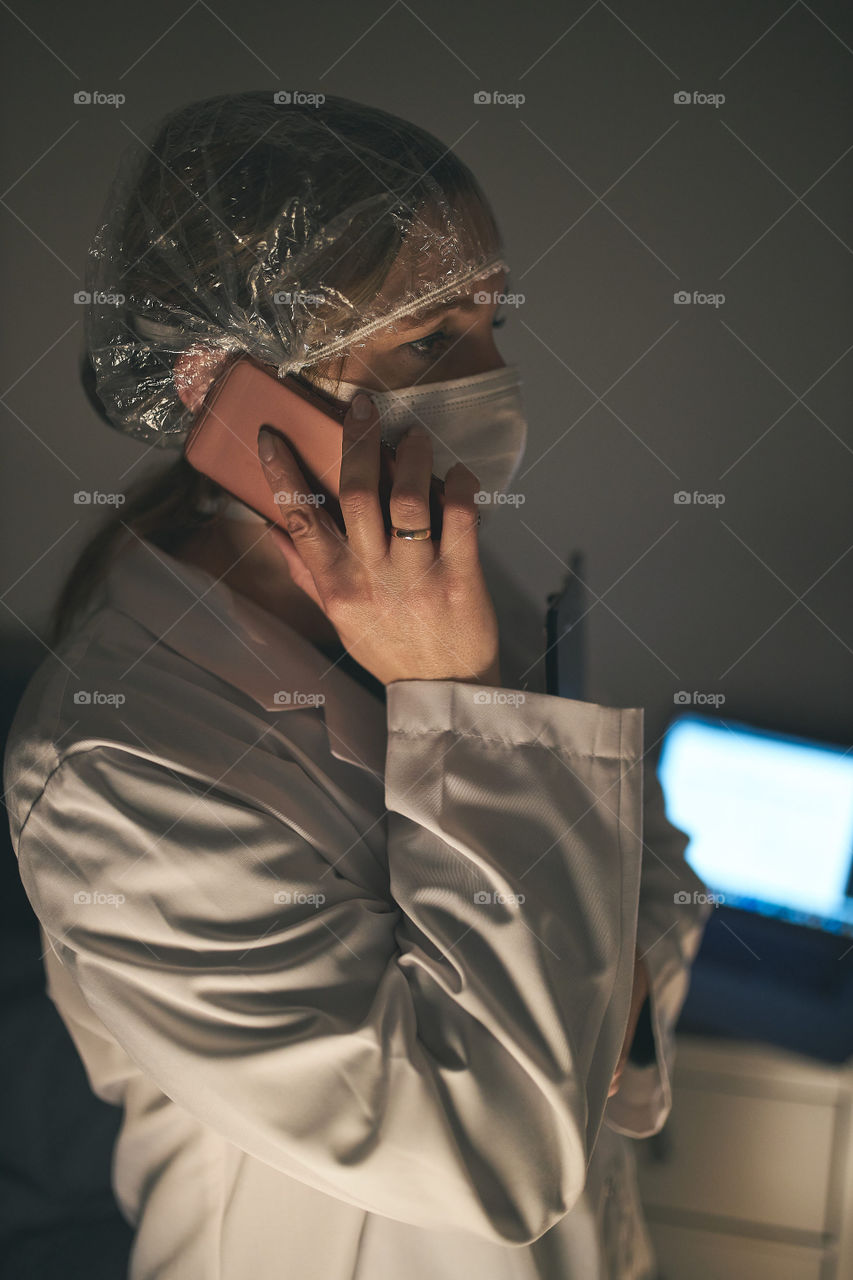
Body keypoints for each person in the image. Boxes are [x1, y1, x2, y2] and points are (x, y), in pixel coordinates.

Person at [3, 90, 711, 1279]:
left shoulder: (439, 579)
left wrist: (482, 711)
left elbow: (653, 870)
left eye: (490, 324)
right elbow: (498, 1155)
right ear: (222, 388)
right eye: (428, 340)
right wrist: (461, 693)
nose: (497, 383)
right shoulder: (117, 770)